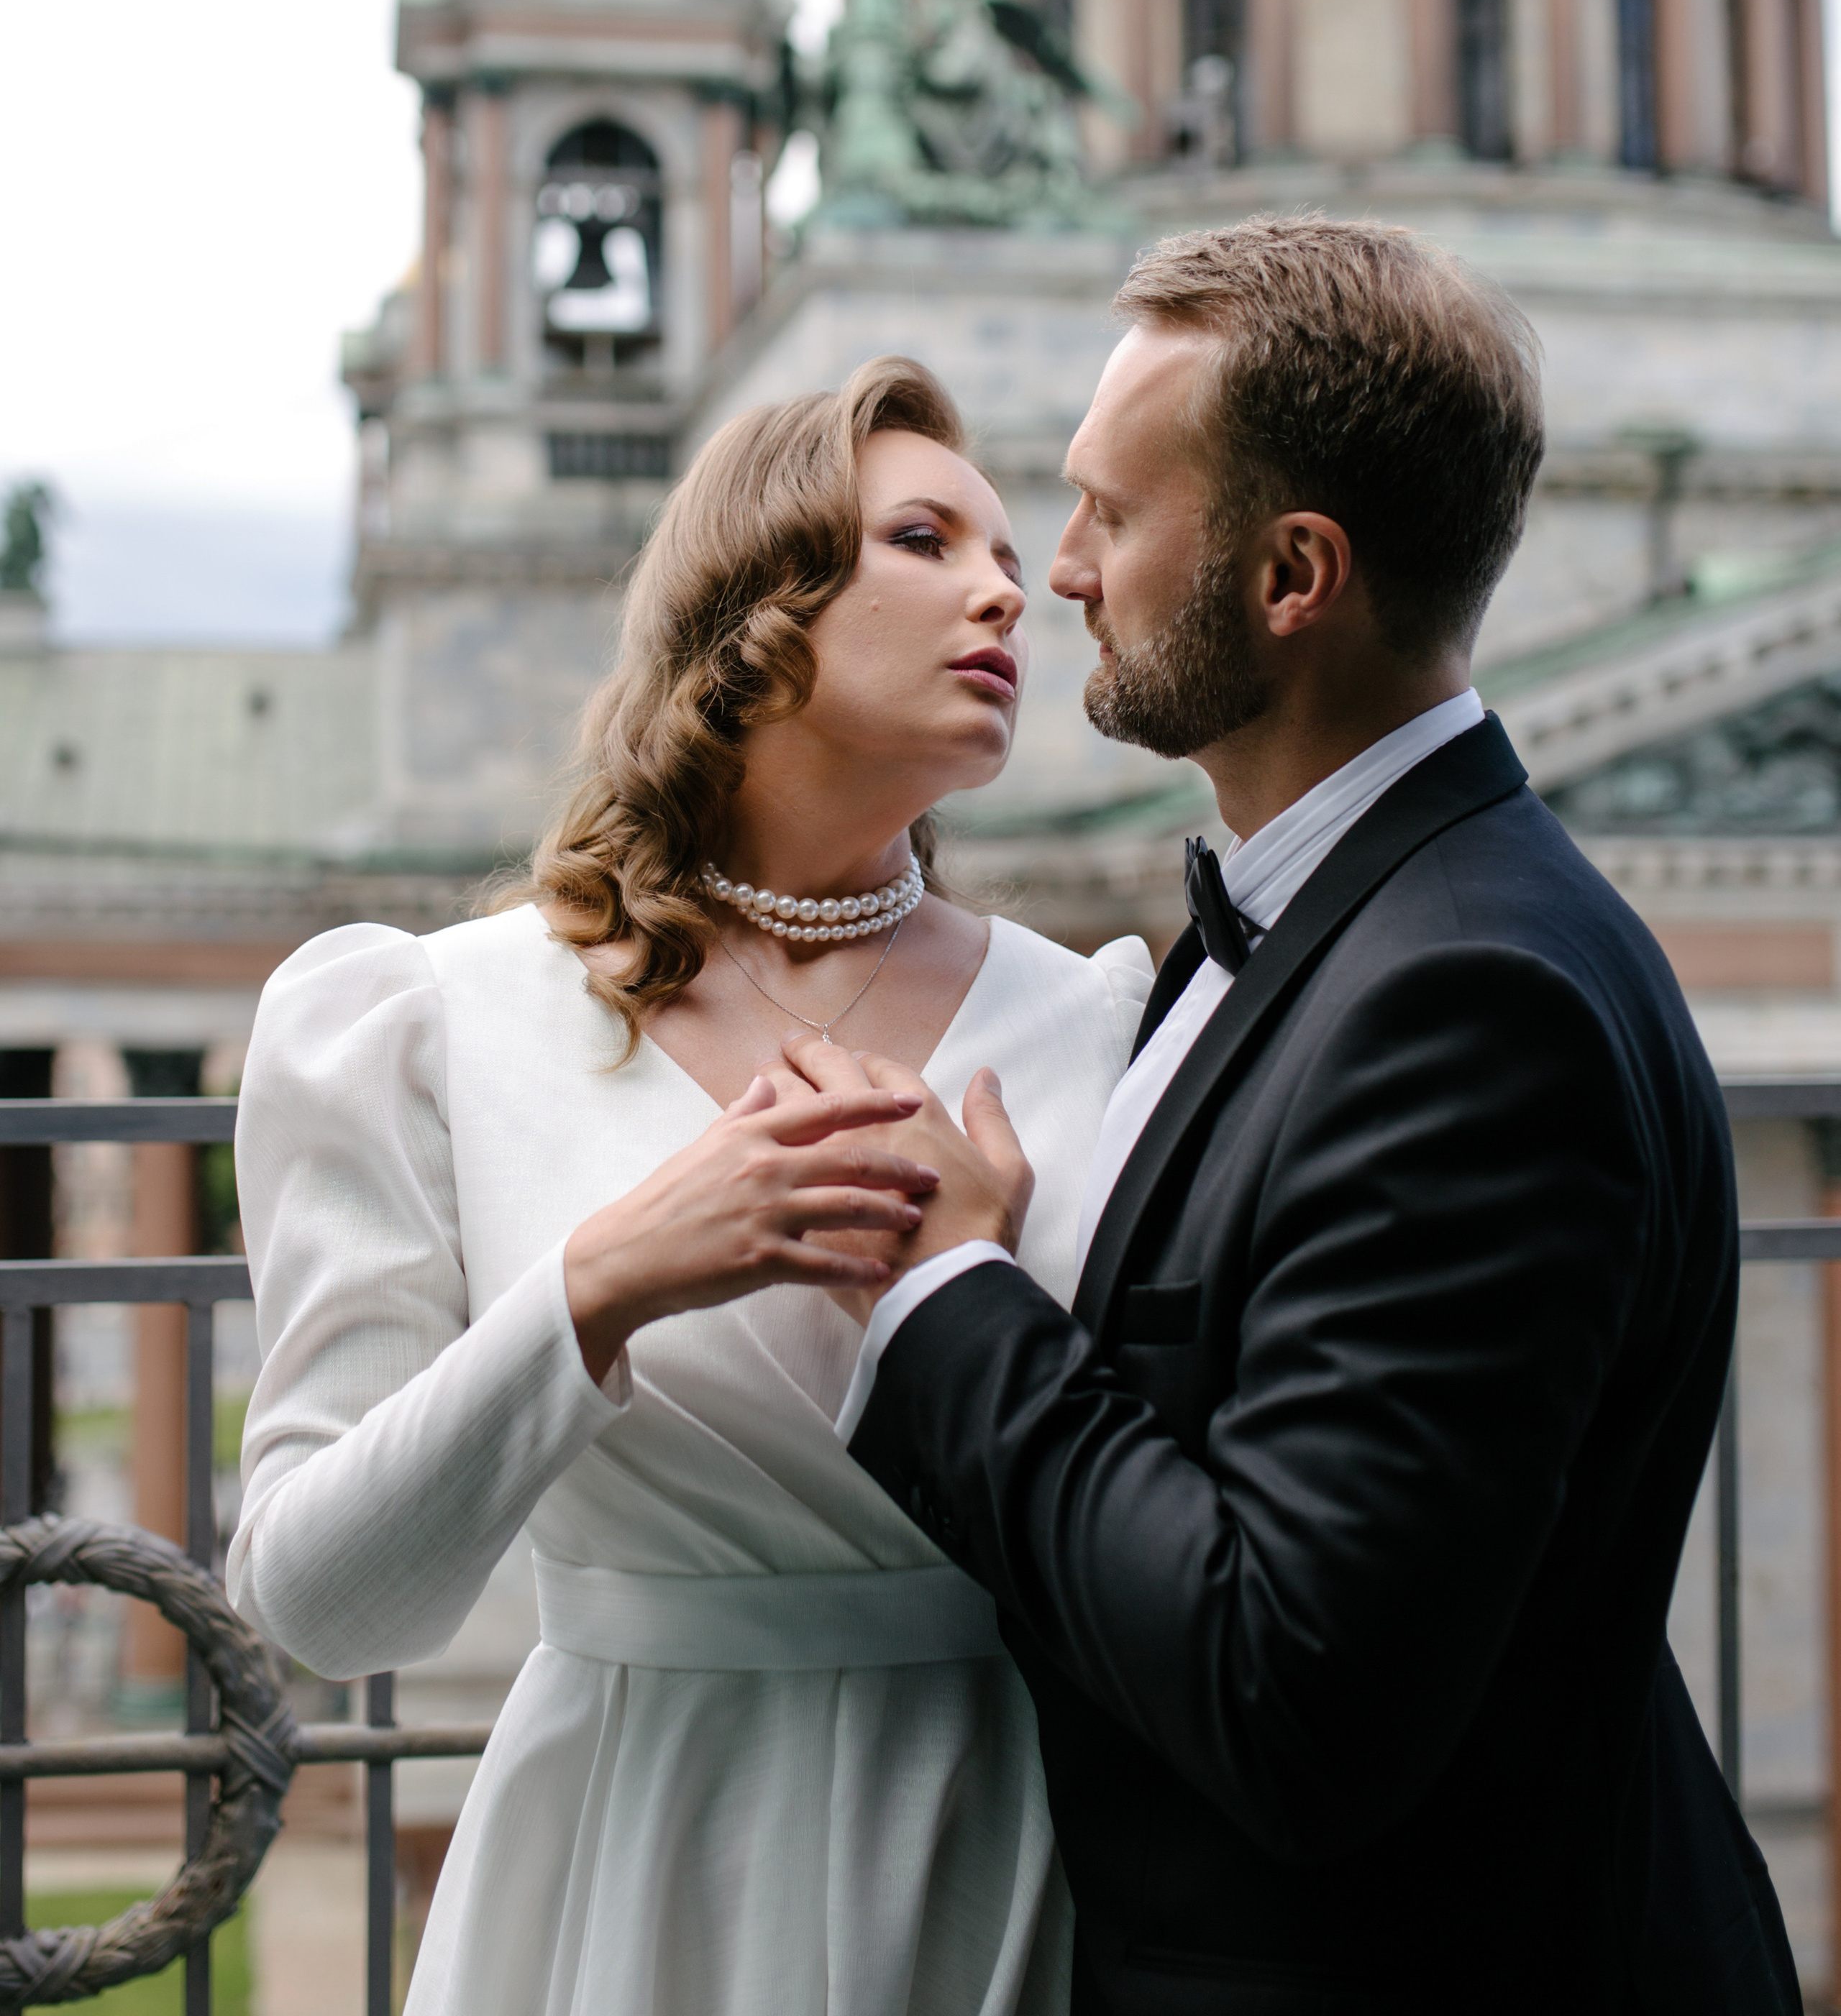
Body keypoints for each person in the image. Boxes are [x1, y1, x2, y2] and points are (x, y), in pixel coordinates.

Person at [766, 219, 1797, 2015]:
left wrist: (948, 1295)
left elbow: (1290, 1692)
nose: (1058, 570)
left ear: (1289, 574)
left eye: (1105, 513)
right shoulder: (1363, 925)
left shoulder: (1465, 1005)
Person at [228, 355, 1153, 2016]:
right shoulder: (427, 1021)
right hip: (627, 1864)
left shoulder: (1093, 1017)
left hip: (1007, 1846)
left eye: (1012, 555)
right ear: (757, 608)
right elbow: (319, 1599)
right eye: (925, 539)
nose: (1009, 588)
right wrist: (605, 1282)